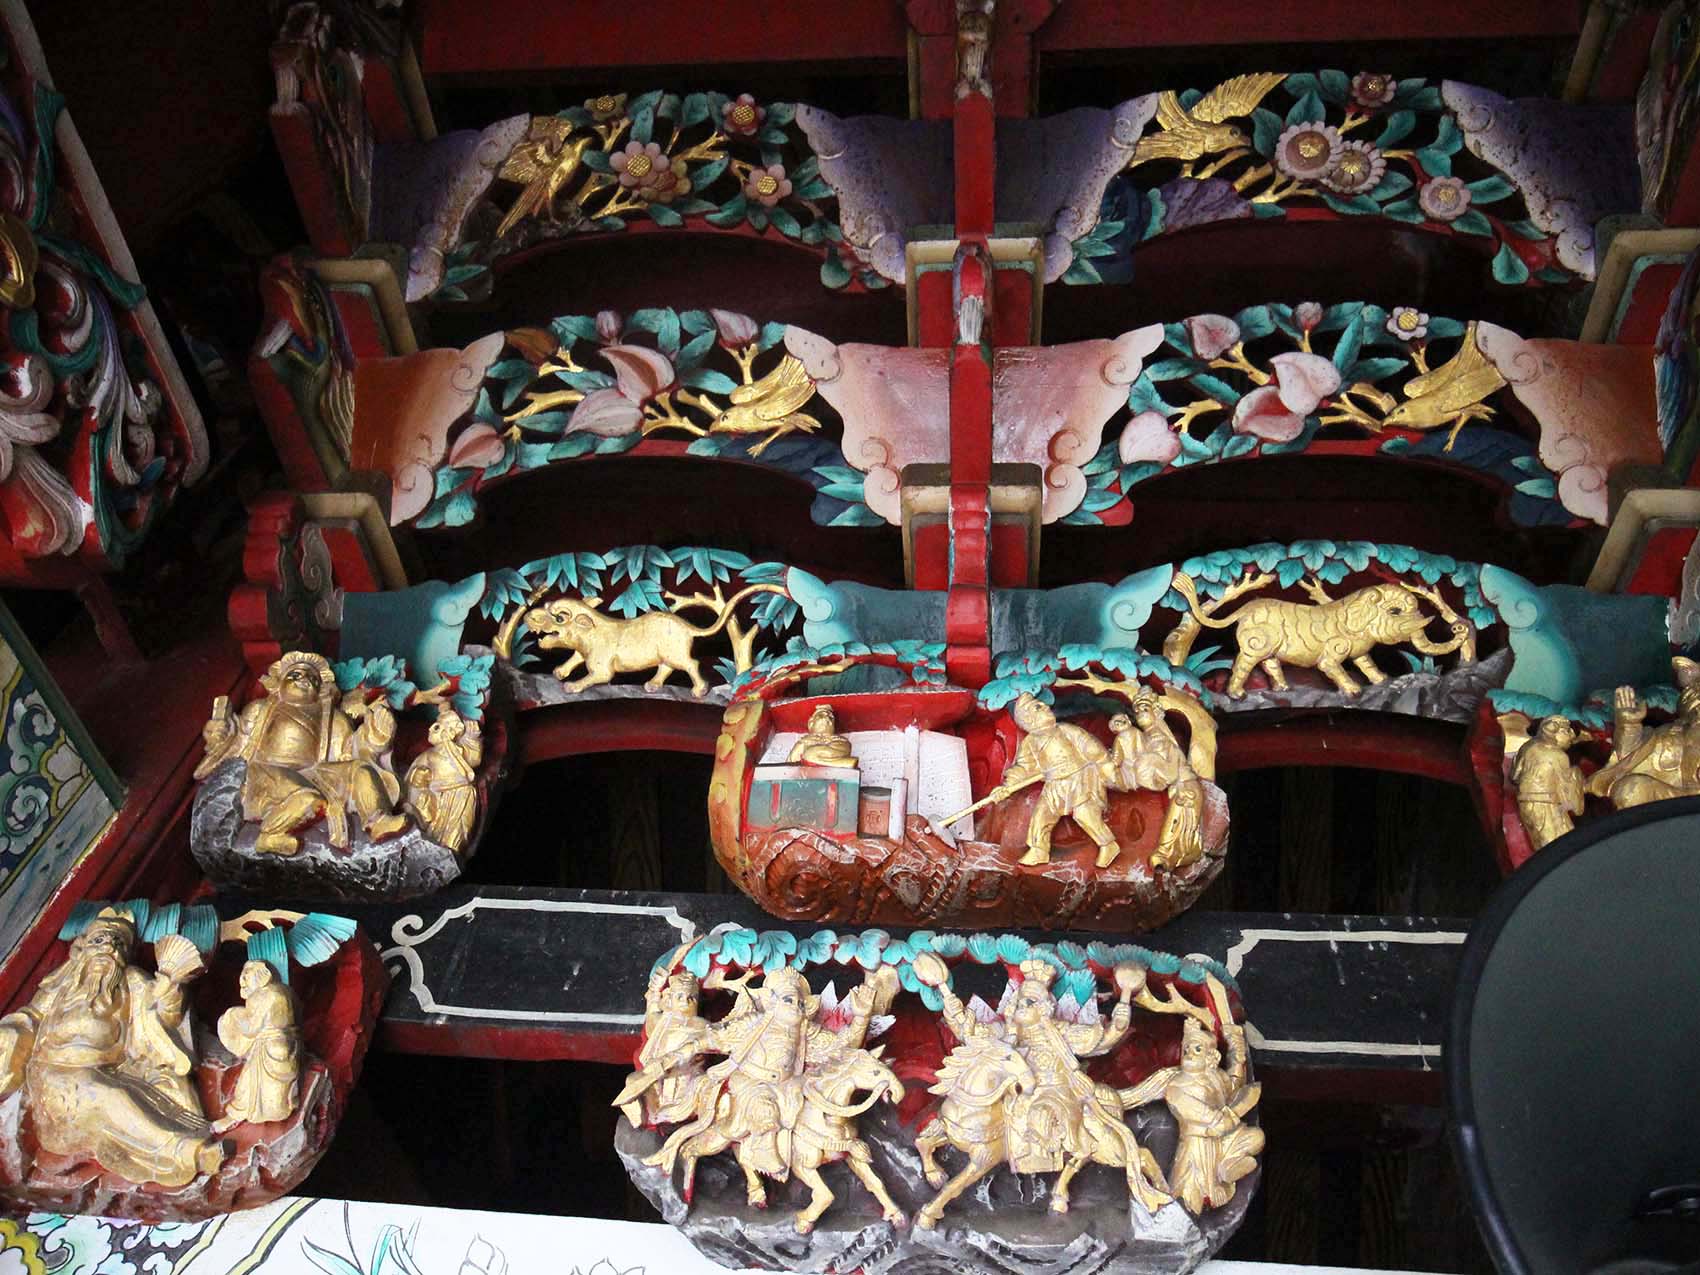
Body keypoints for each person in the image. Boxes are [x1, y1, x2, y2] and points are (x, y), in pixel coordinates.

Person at [0, 910, 224, 1186]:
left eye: (117, 943)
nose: (108, 948)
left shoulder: (132, 982)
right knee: (105, 1092)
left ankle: (185, 1139)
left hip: (111, 1068)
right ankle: (186, 1152)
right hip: (56, 1077)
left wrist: (168, 991)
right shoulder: (62, 984)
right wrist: (10, 1033)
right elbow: (32, 1018)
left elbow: (161, 1016)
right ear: (83, 948)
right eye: (99, 941)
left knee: (165, 1083)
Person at [197, 651, 408, 855]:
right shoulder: (260, 709)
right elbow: (238, 745)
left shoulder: (334, 719)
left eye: (313, 678)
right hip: (267, 772)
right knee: (310, 801)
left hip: (314, 772)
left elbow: (349, 753)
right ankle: (270, 834)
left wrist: (375, 739)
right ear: (279, 683)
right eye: (295, 675)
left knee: (360, 770)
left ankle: (377, 820)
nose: (304, 679)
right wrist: (220, 736)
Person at [1118, 1014, 1263, 1215]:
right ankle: (1197, 1198)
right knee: (1189, 1196)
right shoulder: (1178, 1085)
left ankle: (1227, 1169)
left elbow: (1233, 1087)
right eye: (1186, 1049)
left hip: (1220, 1141)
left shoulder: (1216, 1077)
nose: (1189, 1054)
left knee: (1255, 1137)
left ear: (1211, 1057)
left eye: (1197, 1049)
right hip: (1196, 1144)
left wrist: (1237, 1055)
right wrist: (1232, 1114)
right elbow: (1208, 1116)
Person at [991, 694, 1120, 867]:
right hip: (1054, 784)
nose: (1045, 706)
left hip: (1079, 778)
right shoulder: (1030, 743)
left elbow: (1090, 747)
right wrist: (1007, 786)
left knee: (1085, 815)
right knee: (1042, 815)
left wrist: (1105, 766)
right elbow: (1025, 768)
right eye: (1038, 707)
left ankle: (1108, 844)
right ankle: (1039, 850)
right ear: (1028, 720)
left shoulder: (1065, 730)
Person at [1107, 690, 1206, 869]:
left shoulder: (1161, 739)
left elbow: (1168, 773)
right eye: (1137, 711)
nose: (1140, 713)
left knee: (1174, 834)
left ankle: (1168, 855)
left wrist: (1148, 763)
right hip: (1169, 787)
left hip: (1185, 788)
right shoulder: (1141, 737)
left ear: (1157, 713)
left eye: (1145, 709)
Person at [1587, 659, 1700, 810]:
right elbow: (1626, 759)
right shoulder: (1670, 736)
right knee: (1630, 789)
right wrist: (1629, 724)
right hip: (1681, 803)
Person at [212, 961, 302, 1132]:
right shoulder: (285, 991)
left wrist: (233, 1016)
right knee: (279, 1088)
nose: (243, 982)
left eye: (246, 977)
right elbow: (299, 1015)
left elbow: (252, 1029)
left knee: (247, 1084)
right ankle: (282, 1109)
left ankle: (236, 1116)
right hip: (289, 1046)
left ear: (261, 977)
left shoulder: (265, 996)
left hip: (268, 1047)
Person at [404, 707, 483, 852]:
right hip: (437, 799)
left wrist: (472, 737)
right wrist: (417, 778)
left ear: (449, 732)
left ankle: (452, 852)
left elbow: (474, 759)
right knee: (434, 835)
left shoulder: (459, 751)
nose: (430, 729)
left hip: (462, 795)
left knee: (457, 835)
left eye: (437, 726)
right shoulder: (427, 755)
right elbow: (411, 781)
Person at [1509, 716, 1585, 850]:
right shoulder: (1559, 756)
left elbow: (1514, 776)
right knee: (1562, 846)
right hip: (1547, 805)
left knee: (1544, 844)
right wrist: (1577, 780)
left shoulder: (1527, 747)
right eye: (1567, 731)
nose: (1571, 738)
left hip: (1525, 803)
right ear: (1554, 732)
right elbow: (1568, 795)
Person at [786, 704, 857, 768]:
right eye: (821, 716)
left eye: (830, 718)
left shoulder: (839, 740)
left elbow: (844, 749)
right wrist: (803, 744)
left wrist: (827, 741)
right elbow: (789, 765)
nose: (826, 718)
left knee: (810, 753)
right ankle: (845, 763)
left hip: (831, 754)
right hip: (807, 773)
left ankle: (843, 764)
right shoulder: (805, 741)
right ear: (811, 723)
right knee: (809, 754)